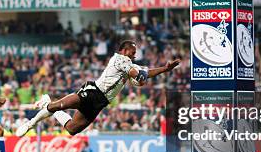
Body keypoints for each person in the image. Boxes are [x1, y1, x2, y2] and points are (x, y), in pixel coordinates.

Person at [16, 40, 180, 136]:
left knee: (73, 129)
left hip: (101, 101)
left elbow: (145, 72)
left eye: (135, 53)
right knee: (61, 105)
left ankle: (49, 103)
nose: (134, 54)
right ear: (123, 50)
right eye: (132, 51)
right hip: (93, 91)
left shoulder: (130, 63)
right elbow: (136, 73)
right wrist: (139, 76)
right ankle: (31, 123)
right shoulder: (119, 59)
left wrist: (165, 69)